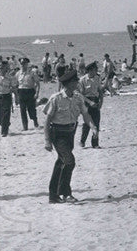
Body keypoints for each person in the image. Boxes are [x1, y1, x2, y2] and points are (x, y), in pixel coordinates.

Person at [43, 69, 97, 203]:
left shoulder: (78, 98)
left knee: (61, 163)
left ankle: (53, 195)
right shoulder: (56, 98)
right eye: (75, 81)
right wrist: (47, 141)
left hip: (70, 133)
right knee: (69, 161)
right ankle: (65, 193)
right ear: (68, 84)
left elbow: (85, 115)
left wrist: (93, 127)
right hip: (57, 133)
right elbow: (47, 120)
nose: (77, 83)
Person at [78, 61, 105, 148]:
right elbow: (80, 95)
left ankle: (95, 143)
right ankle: (82, 141)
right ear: (89, 70)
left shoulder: (97, 78)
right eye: (94, 70)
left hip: (96, 101)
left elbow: (100, 91)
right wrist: (89, 102)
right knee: (87, 123)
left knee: (96, 123)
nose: (95, 71)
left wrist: (101, 102)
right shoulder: (83, 80)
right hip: (87, 102)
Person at [17, 58, 41, 130]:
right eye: (21, 63)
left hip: (30, 92)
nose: (22, 65)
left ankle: (35, 120)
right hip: (21, 92)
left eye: (24, 63)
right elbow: (15, 84)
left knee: (31, 109)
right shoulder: (18, 73)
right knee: (22, 110)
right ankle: (25, 126)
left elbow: (38, 83)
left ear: (27, 64)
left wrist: (37, 93)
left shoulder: (32, 73)